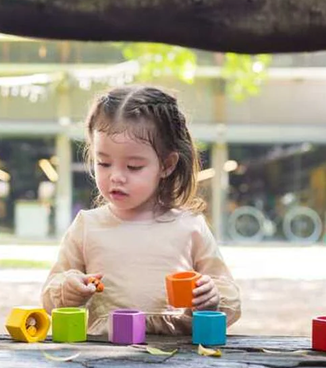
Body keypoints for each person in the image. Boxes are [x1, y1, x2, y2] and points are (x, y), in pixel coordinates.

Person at [41, 85, 241, 335]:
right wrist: (67, 290)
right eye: (103, 163)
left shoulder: (190, 227)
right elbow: (50, 296)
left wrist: (211, 298)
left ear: (167, 165)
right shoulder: (87, 226)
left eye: (133, 166)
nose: (116, 176)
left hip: (177, 357)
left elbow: (230, 298)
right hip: (104, 356)